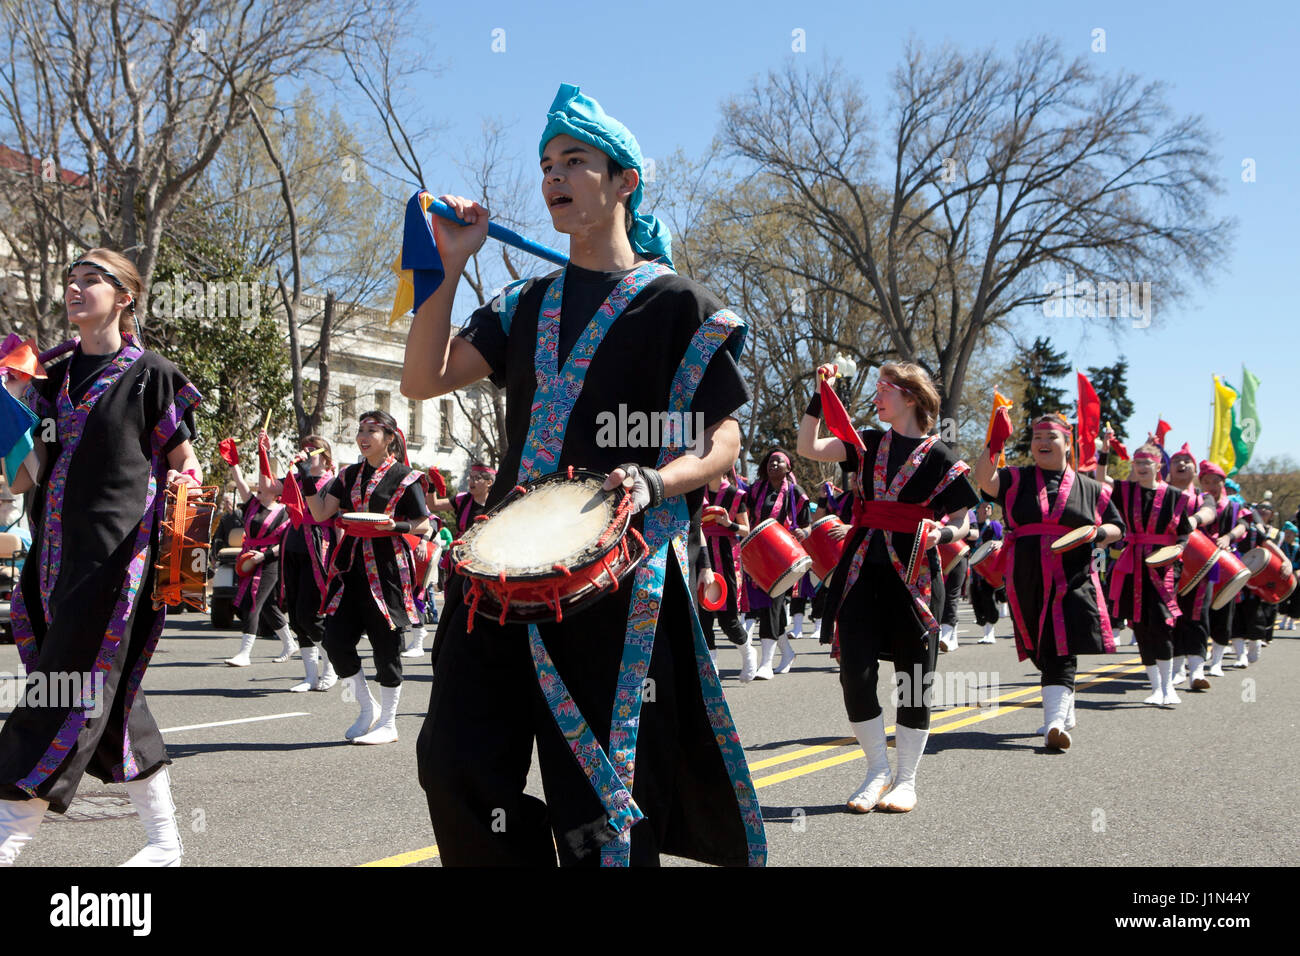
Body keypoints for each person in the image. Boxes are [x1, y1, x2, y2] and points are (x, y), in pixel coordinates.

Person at [404, 84, 764, 866]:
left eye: (574, 161)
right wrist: (447, 265)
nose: (555, 177)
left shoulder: (678, 305)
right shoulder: (523, 301)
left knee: (598, 796)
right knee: (453, 766)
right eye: (547, 166)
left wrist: (657, 482)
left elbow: (723, 440)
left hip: (615, 576)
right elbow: (423, 379)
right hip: (496, 575)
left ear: (624, 181)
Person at [0, 249, 200, 866]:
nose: (76, 288)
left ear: (126, 296)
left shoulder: (153, 375)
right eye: (71, 279)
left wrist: (184, 494)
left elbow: (186, 464)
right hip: (52, 567)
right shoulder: (50, 378)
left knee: (59, 693)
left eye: (93, 280)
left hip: (116, 568)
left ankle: (8, 836)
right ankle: (165, 841)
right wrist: (5, 414)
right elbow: (25, 479)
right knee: (112, 701)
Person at [798, 362, 978, 812]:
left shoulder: (942, 457)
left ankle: (906, 779)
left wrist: (946, 534)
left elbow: (964, 520)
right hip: (860, 572)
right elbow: (809, 446)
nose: (876, 396)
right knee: (853, 673)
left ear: (912, 397)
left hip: (915, 577)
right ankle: (877, 769)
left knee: (914, 680)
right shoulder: (867, 442)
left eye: (885, 389)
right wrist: (821, 394)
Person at [973, 411, 1125, 752]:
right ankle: (1062, 706)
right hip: (1025, 576)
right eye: (1037, 437)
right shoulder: (1017, 478)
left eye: (1051, 437)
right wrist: (994, 441)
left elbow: (1117, 527)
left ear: (1067, 444)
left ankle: (1054, 722)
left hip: (1073, 577)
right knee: (1041, 648)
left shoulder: (1089, 487)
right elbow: (984, 479)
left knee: (1062, 645)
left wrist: (1098, 532)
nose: (1043, 443)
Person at [304, 411, 430, 744]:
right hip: (349, 566)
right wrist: (305, 477)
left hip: (387, 566)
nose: (363, 436)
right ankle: (366, 707)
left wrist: (396, 526)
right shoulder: (347, 476)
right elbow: (320, 513)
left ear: (389, 438)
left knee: (385, 644)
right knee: (334, 640)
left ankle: (389, 722)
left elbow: (425, 525)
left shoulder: (406, 477)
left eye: (372, 430)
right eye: (361, 430)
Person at [1098, 442, 1193, 706]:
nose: (1141, 468)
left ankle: (1169, 686)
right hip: (1133, 563)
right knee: (1139, 625)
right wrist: (1104, 452)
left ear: (1158, 465)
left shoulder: (1174, 496)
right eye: (1137, 463)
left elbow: (1184, 533)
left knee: (1161, 623)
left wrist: (1178, 551)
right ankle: (1155, 687)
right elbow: (1100, 479)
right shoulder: (1126, 491)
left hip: (1163, 567)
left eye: (1146, 463)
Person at [743, 448, 812, 679]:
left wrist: (804, 531)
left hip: (783, 557)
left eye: (778, 461)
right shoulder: (755, 489)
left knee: (773, 605)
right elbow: (742, 511)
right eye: (770, 461)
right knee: (765, 608)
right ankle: (788, 652)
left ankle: (766, 663)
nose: (773, 465)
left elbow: (808, 525)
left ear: (788, 467)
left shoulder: (796, 492)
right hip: (760, 556)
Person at [279, 437, 338, 691]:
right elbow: (269, 488)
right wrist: (264, 452)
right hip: (293, 546)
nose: (305, 455)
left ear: (325, 457)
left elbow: (335, 522)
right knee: (295, 614)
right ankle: (310, 676)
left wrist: (340, 560)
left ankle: (332, 667)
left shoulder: (334, 483)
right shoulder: (299, 481)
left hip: (318, 549)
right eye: (303, 450)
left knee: (309, 614)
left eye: (311, 451)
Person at [224, 455, 295, 666]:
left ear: (276, 490)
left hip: (269, 560)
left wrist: (263, 556)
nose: (260, 484)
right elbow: (240, 482)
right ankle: (290, 643)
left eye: (266, 482)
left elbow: (285, 543)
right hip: (248, 557)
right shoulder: (252, 504)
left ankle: (245, 653)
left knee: (252, 602)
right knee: (268, 606)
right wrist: (233, 461)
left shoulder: (285, 512)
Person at [1164, 444, 1212, 690]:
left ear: (1194, 470)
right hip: (1167, 563)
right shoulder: (1159, 494)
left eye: (1187, 461)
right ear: (1168, 468)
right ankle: (1175, 668)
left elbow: (1209, 512)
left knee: (1197, 615)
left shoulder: (1203, 497)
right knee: (1171, 616)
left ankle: (1197, 671)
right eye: (1176, 460)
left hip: (1200, 563)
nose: (1181, 464)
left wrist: (1193, 520)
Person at [1195, 462, 1250, 677]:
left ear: (1223, 482)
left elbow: (1244, 524)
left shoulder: (1234, 505)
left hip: (1226, 564)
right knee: (1198, 612)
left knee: (1224, 612)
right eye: (1206, 481)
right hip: (1200, 563)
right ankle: (1195, 658)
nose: (1210, 486)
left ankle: (1217, 661)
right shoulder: (1197, 503)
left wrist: (1228, 536)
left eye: (1215, 481)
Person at [700, 466, 755, 679]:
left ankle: (749, 653)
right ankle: (712, 670)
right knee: (703, 617)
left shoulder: (735, 494)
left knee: (728, 619)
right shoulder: (697, 490)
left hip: (726, 558)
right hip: (701, 555)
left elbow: (746, 529)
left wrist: (727, 523)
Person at [967, 501, 1003, 643]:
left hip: (989, 568)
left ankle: (990, 633)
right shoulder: (972, 526)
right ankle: (985, 630)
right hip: (974, 568)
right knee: (976, 598)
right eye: (984, 506)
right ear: (978, 509)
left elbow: (1001, 541)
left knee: (987, 597)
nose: (987, 509)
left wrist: (1000, 543)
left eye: (989, 507)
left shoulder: (994, 525)